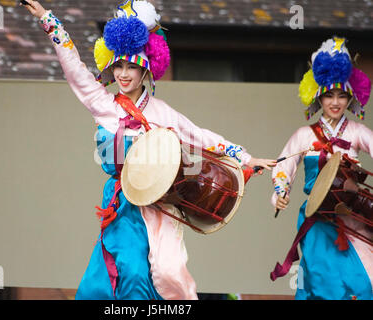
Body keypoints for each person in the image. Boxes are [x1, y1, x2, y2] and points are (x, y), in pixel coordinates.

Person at [21, 0, 276, 300]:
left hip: (160, 205)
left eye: (132, 66)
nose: (124, 74)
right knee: (131, 270)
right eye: (119, 65)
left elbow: (201, 138)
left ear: (147, 70)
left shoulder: (162, 113)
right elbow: (74, 68)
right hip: (122, 206)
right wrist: (48, 20)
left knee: (170, 275)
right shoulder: (103, 105)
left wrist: (245, 158)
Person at [270, 37, 373, 300]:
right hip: (317, 220)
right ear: (318, 96)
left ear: (351, 98)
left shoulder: (358, 132)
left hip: (352, 219)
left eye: (341, 95)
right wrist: (281, 190)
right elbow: (284, 166)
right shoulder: (304, 136)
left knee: (363, 284)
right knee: (322, 283)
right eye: (329, 95)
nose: (335, 102)